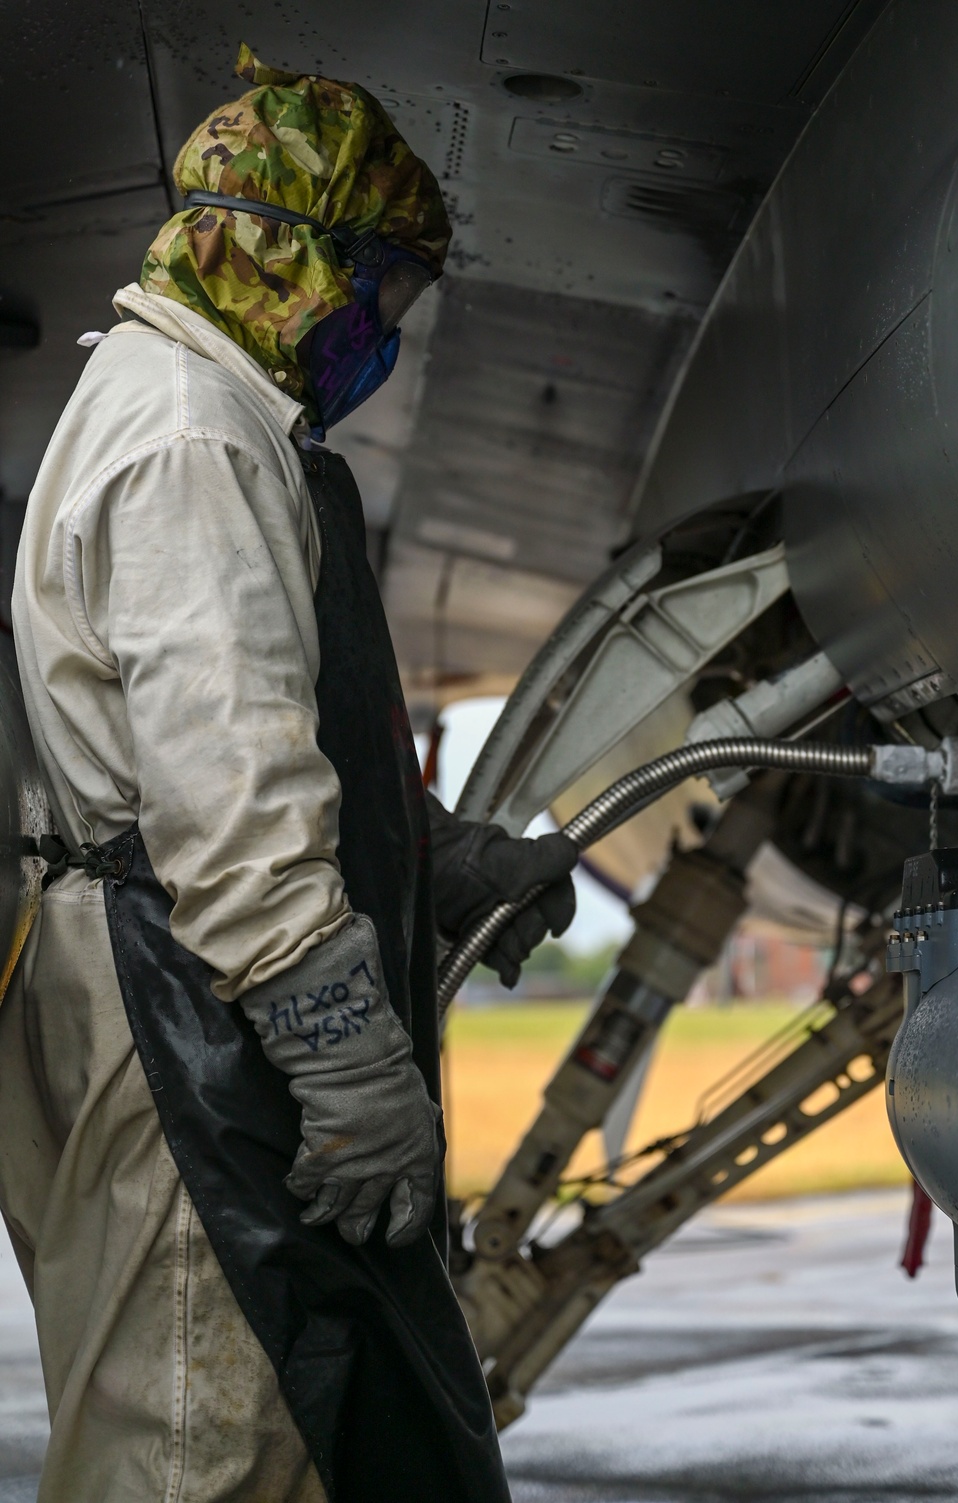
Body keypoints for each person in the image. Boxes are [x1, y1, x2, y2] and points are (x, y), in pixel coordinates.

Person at [0, 46, 576, 1502]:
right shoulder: (194, 436)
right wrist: (341, 1053)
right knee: (200, 1433)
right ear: (287, 251)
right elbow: (225, 799)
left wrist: (435, 854)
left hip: (193, 978)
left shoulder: (206, 409)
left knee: (297, 1431)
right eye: (378, 288)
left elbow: (238, 741)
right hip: (185, 1025)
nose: (380, 330)